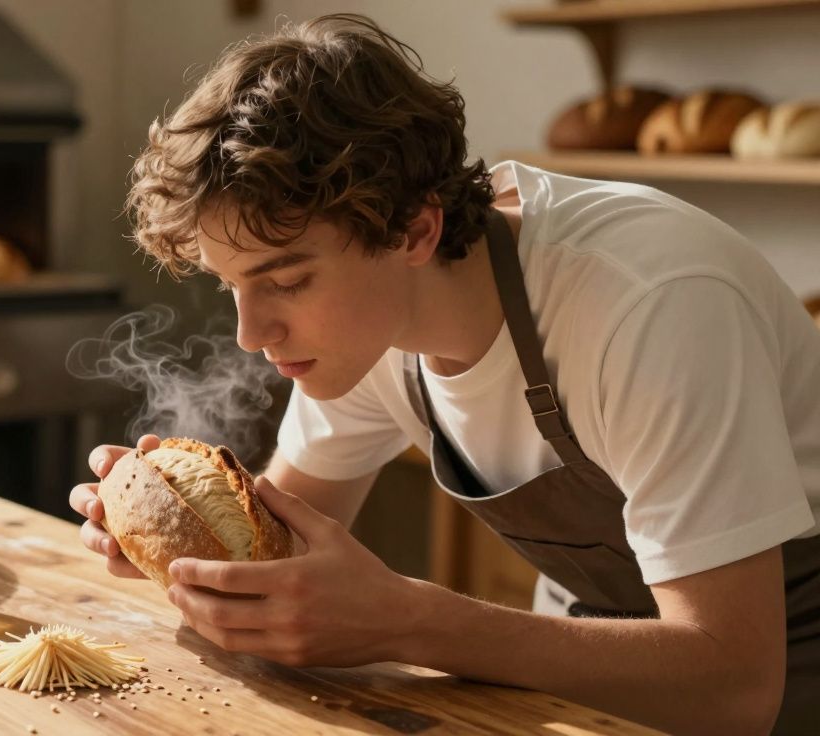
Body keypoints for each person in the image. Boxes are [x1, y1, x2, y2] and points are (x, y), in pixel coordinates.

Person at [68, 13, 820, 735]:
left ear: (416, 229)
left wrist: (411, 620)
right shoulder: (362, 330)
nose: (251, 333)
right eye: (231, 285)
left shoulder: (649, 304)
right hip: (577, 666)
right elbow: (282, 560)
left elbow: (736, 689)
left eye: (287, 281)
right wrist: (192, 563)